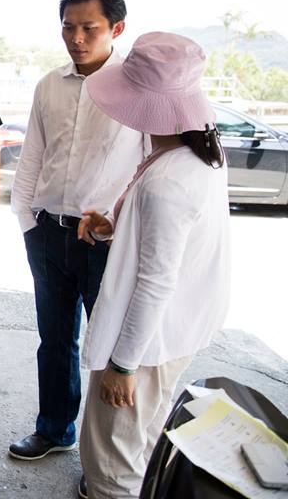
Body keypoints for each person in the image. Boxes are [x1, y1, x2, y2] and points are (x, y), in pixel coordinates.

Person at [76, 32, 230, 498]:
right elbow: (170, 245)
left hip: (144, 344)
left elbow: (155, 282)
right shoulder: (201, 156)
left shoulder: (167, 180)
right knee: (140, 444)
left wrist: (122, 366)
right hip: (174, 334)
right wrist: (116, 228)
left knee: (111, 465)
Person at [9, 0, 147, 468]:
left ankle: (105, 463)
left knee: (108, 350)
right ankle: (55, 428)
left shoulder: (137, 87)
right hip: (48, 232)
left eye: (89, 28)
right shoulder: (50, 84)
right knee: (55, 338)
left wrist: (118, 223)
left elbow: (146, 165)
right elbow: (32, 158)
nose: (77, 38)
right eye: (68, 27)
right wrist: (26, 221)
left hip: (106, 241)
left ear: (117, 28)